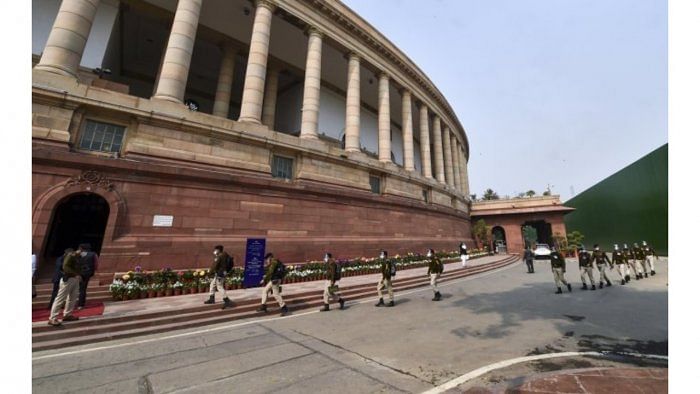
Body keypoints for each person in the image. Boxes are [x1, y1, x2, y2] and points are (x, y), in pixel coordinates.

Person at [48, 249, 82, 326]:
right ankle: (52, 317)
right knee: (60, 298)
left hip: (74, 279)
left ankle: (67, 314)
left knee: (72, 298)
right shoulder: (70, 256)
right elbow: (65, 266)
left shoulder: (76, 258)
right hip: (67, 279)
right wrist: (75, 274)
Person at [204, 245, 234, 309]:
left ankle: (227, 300)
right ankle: (211, 298)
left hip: (220, 274)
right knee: (212, 284)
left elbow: (214, 266)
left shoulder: (219, 257)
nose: (214, 251)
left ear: (218, 250)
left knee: (219, 287)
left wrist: (208, 274)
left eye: (215, 250)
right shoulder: (225, 255)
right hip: (222, 273)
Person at [77, 243, 99, 309]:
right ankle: (81, 304)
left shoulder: (78, 254)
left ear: (81, 248)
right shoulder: (93, 254)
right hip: (87, 273)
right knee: (83, 289)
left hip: (78, 273)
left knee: (75, 288)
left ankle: (67, 304)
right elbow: (96, 264)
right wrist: (94, 271)